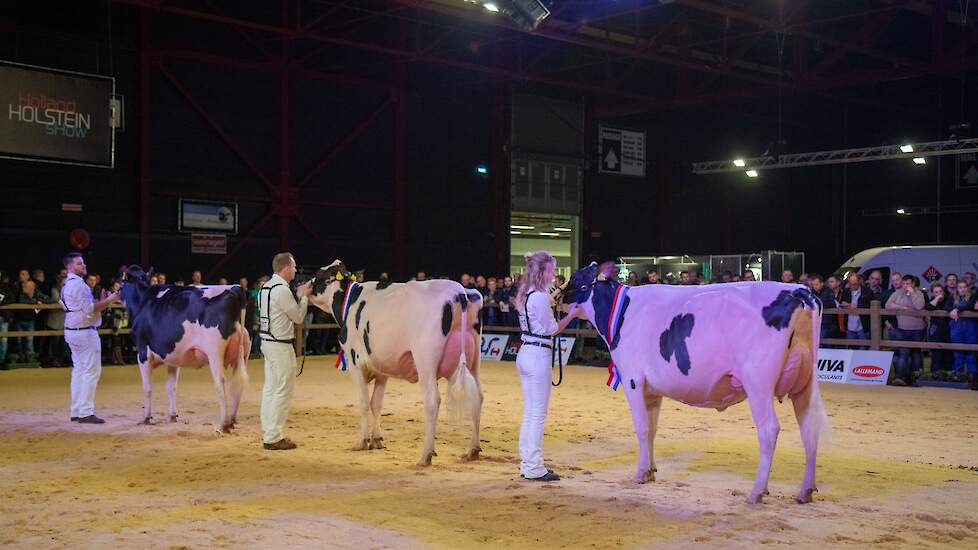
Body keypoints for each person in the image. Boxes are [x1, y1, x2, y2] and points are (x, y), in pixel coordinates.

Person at [514, 251, 580, 482]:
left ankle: (528, 462)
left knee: (530, 412)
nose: (554, 275)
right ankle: (533, 466)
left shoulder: (526, 292)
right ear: (543, 271)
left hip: (526, 350)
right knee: (537, 414)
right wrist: (571, 315)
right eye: (552, 270)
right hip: (537, 353)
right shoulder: (540, 296)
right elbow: (553, 328)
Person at [258, 252, 311, 450]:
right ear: (286, 267)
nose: (296, 270)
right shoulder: (281, 289)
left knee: (271, 389)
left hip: (267, 341)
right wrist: (304, 298)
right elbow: (298, 317)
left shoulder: (265, 287)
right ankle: (274, 436)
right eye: (294, 266)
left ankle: (269, 431)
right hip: (280, 344)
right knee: (282, 391)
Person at [62, 252, 119, 424]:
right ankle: (86, 412)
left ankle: (76, 410)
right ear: (70, 266)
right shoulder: (80, 285)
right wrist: (110, 299)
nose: (84, 266)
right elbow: (89, 310)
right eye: (80, 263)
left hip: (72, 330)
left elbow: (85, 307)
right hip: (85, 332)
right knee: (91, 371)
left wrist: (100, 302)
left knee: (79, 370)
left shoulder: (67, 284)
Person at [886, 274, 925, 386]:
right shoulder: (897, 293)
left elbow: (919, 306)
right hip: (902, 328)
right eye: (904, 283)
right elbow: (888, 305)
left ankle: (918, 378)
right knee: (904, 353)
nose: (905, 286)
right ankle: (900, 378)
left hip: (917, 329)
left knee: (916, 354)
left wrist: (912, 293)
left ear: (913, 284)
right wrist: (903, 308)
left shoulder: (919, 294)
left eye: (908, 283)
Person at [948, 281, 978, 389]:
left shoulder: (973, 296)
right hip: (956, 329)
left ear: (968, 288)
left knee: (971, 354)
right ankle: (958, 378)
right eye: (960, 287)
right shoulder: (952, 297)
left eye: (965, 287)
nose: (963, 289)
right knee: (957, 353)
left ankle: (973, 379)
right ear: (957, 289)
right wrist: (951, 310)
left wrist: (957, 309)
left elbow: (970, 306)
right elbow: (946, 307)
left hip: (971, 329)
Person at [925, 282, 953, 376]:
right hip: (935, 330)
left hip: (948, 329)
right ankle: (935, 375)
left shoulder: (949, 299)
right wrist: (937, 298)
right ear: (933, 293)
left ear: (944, 292)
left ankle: (949, 376)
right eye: (936, 292)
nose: (939, 293)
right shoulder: (933, 300)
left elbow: (947, 308)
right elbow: (928, 308)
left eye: (940, 291)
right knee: (936, 354)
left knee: (948, 354)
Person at [840, 273, 871, 347]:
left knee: (864, 348)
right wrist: (844, 304)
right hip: (849, 325)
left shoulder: (867, 292)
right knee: (852, 349)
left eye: (855, 284)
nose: (853, 286)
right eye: (851, 284)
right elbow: (841, 303)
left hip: (862, 325)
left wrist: (858, 306)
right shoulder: (846, 291)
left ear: (859, 281)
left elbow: (870, 305)